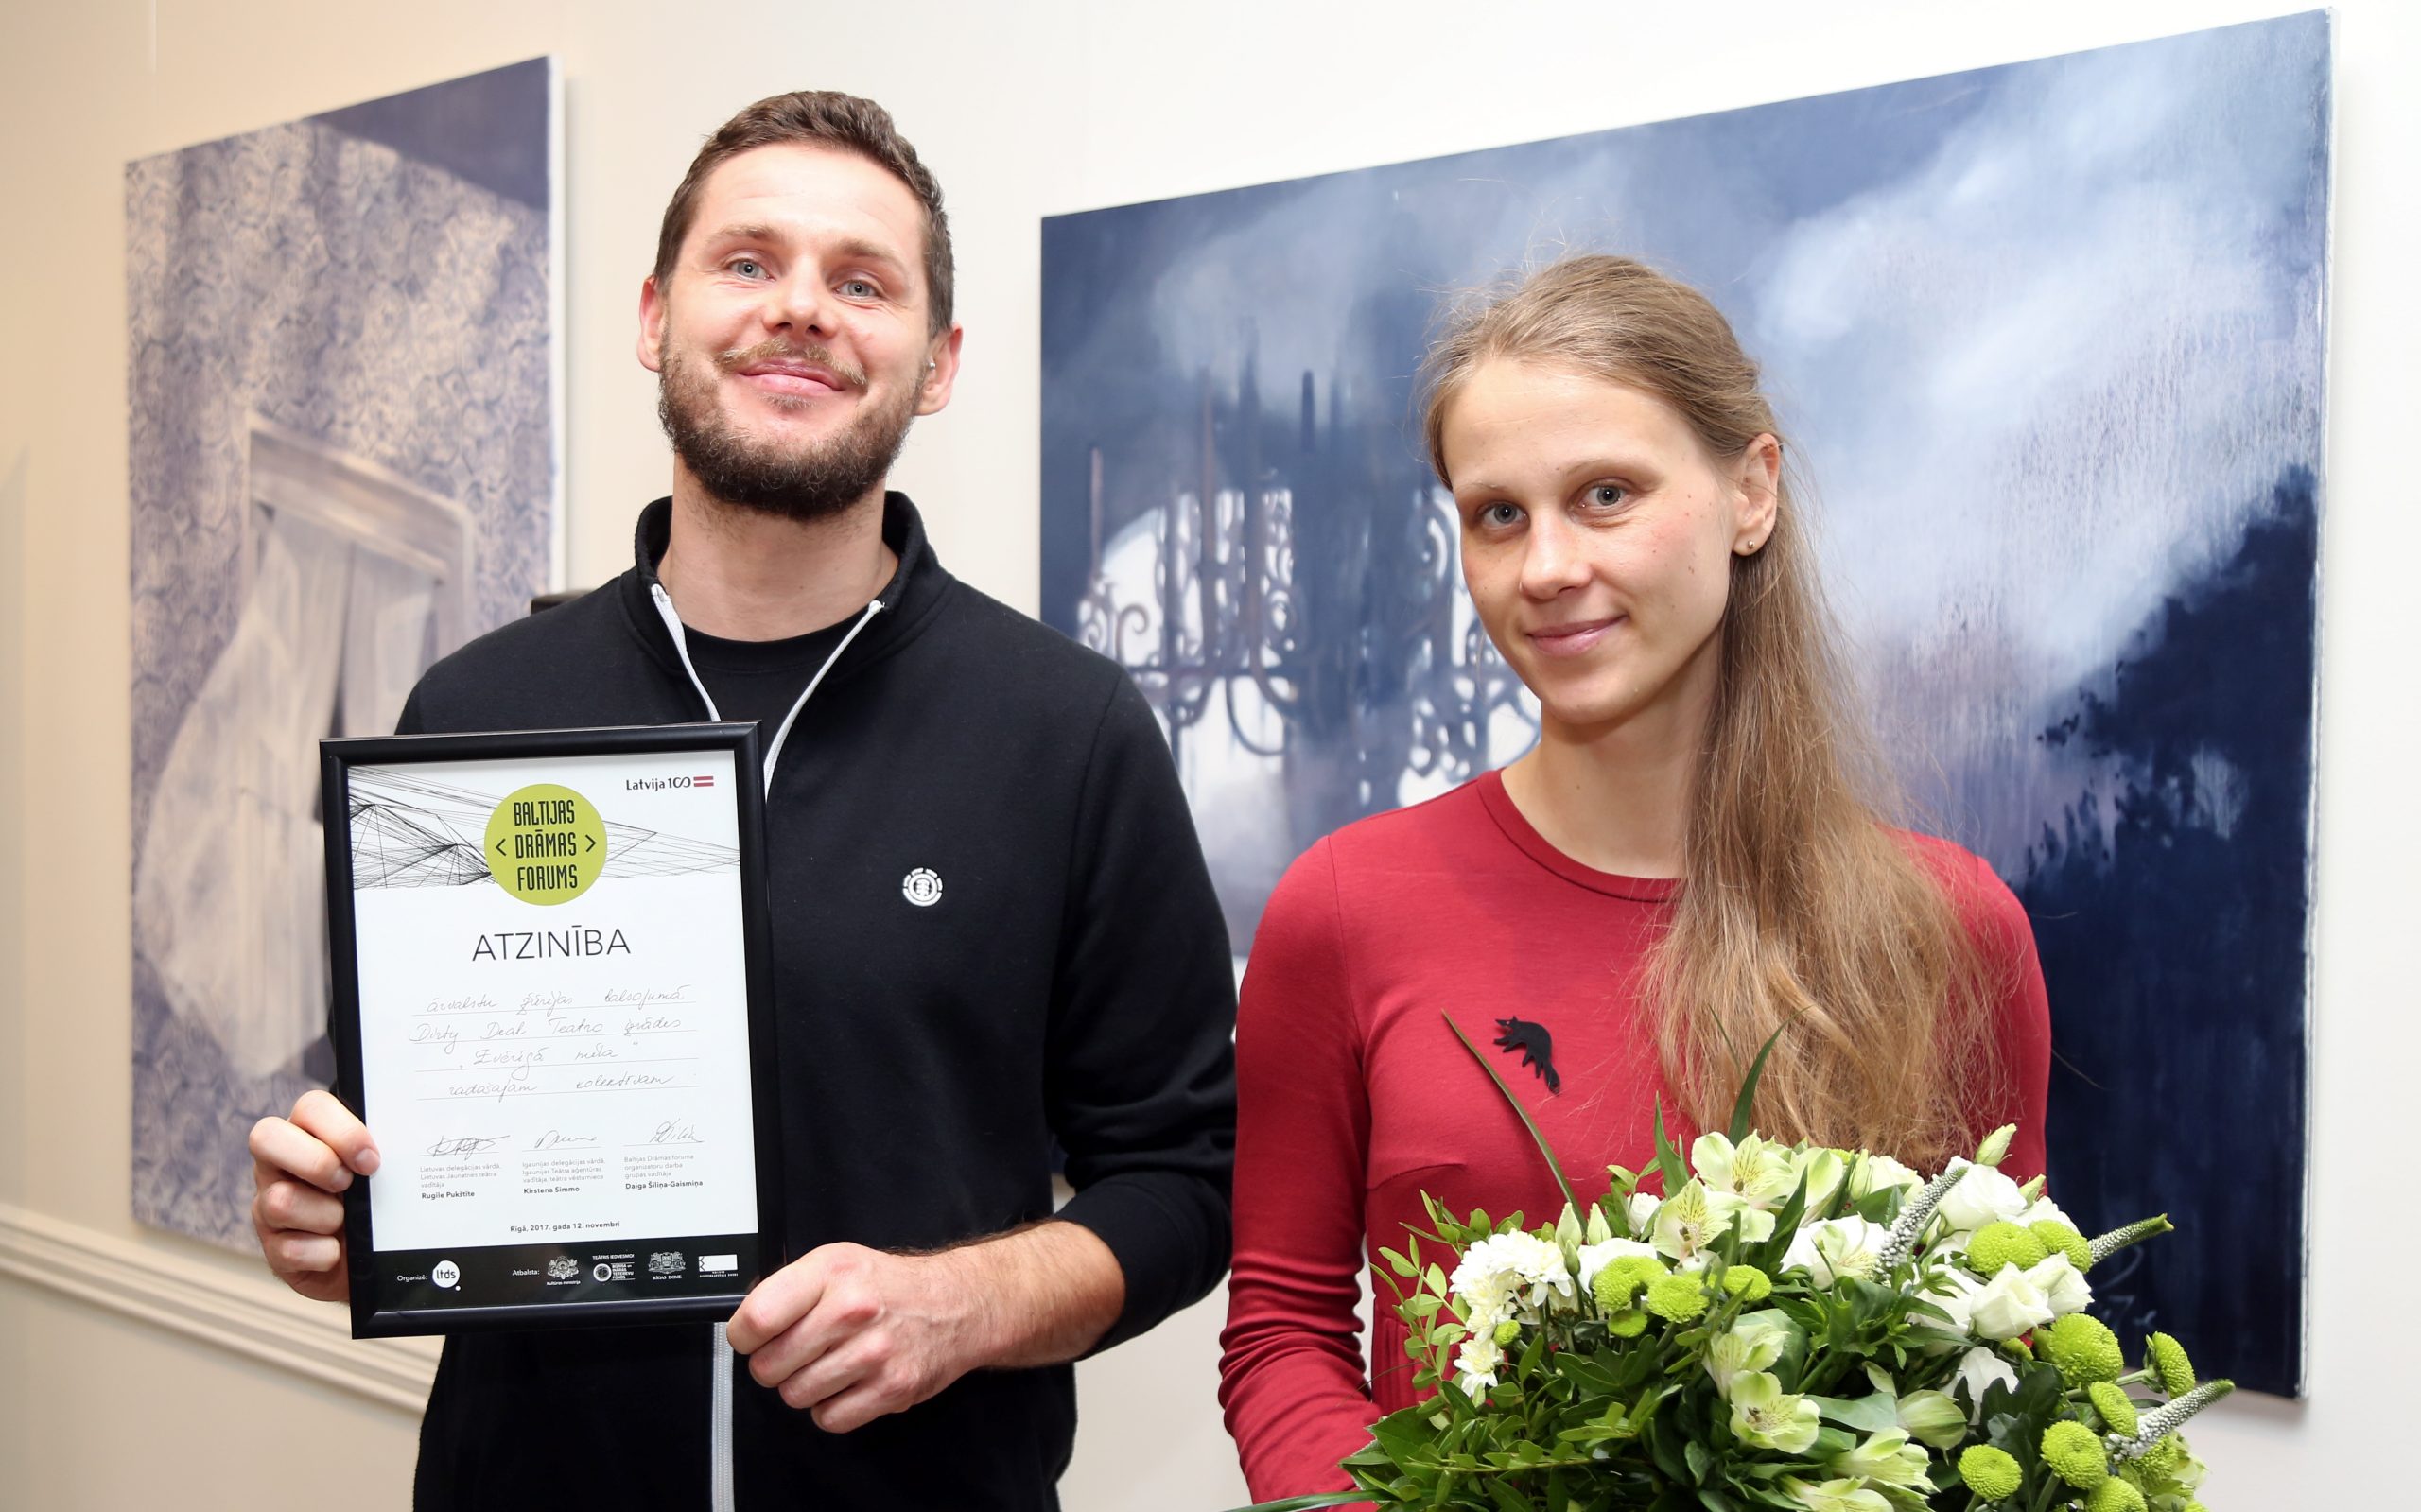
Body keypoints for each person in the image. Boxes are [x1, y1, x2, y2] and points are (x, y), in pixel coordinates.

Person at [246, 91, 1237, 1512]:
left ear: (939, 363)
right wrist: (341, 1209)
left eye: (863, 282)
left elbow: (1186, 1178)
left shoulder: (1067, 732)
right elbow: (405, 1141)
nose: (802, 309)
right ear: (657, 317)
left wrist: (966, 1305)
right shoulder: (471, 717)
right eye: (749, 261)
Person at [1215, 255, 2053, 1502]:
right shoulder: (1346, 907)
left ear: (1751, 492)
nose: (1546, 566)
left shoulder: (1945, 925)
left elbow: (1999, 1354)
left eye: (1605, 495)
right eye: (1498, 514)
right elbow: (1283, 1330)